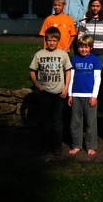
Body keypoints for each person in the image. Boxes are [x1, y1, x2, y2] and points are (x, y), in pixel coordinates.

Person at [29, 27, 72, 155]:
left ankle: (57, 146)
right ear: (46, 41)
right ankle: (45, 146)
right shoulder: (40, 54)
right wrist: (37, 84)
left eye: (54, 40)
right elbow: (32, 71)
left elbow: (68, 72)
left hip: (59, 93)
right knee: (45, 120)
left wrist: (65, 88)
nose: (51, 43)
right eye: (49, 40)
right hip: (45, 92)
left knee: (57, 121)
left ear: (58, 41)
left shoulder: (63, 54)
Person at [67, 35, 101, 156]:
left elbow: (97, 79)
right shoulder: (74, 59)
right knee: (75, 122)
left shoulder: (95, 60)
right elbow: (70, 78)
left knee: (90, 123)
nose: (84, 49)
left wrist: (94, 96)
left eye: (86, 47)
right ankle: (76, 145)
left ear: (90, 48)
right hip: (76, 95)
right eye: (81, 47)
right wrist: (70, 95)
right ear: (78, 47)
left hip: (89, 96)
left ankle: (91, 146)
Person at [77, 0, 103, 66]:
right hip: (87, 52)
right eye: (93, 6)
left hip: (101, 53)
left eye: (97, 6)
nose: (95, 8)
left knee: (98, 73)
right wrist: (82, 49)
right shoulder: (85, 18)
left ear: (101, 7)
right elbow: (80, 36)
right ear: (90, 6)